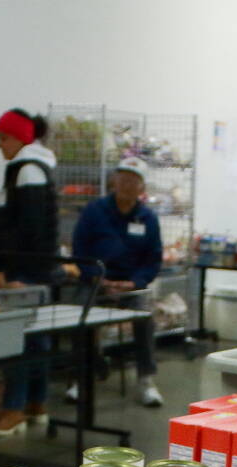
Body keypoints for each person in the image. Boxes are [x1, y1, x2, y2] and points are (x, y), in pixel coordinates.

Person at [0, 108, 59, 437]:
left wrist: (10, 271)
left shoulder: (28, 172)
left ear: (19, 138)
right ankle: (36, 403)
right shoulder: (25, 170)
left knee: (20, 341)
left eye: (3, 138)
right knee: (37, 340)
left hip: (25, 274)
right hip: (29, 271)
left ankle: (13, 409)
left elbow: (30, 231)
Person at [71, 157, 165, 407]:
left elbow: (153, 259)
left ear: (142, 188)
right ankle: (81, 376)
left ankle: (146, 379)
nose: (126, 185)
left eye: (133, 181)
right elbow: (79, 249)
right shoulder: (94, 211)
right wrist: (97, 277)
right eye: (122, 179)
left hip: (130, 286)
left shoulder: (148, 218)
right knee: (78, 315)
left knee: (145, 317)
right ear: (113, 181)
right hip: (96, 281)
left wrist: (133, 283)